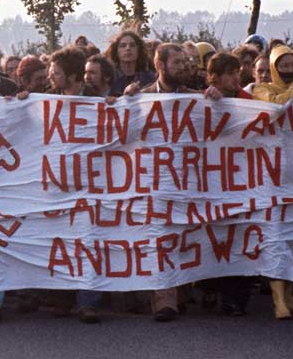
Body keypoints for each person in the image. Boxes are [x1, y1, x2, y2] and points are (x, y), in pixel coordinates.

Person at [132, 43, 197, 321]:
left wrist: (220, 100)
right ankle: (163, 300)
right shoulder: (140, 98)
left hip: (189, 181)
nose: (184, 67)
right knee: (159, 237)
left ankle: (180, 292)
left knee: (183, 237)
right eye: (178, 63)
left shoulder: (199, 99)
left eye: (186, 62)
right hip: (153, 182)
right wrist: (122, 103)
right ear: (160, 66)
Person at [251, 45, 293, 319]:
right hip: (266, 174)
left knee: (291, 232)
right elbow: (280, 106)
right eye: (281, 65)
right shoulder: (261, 91)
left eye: (291, 64)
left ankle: (288, 290)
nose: (287, 70)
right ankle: (277, 298)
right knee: (273, 233)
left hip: (292, 172)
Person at [202, 53, 254, 316]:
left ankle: (236, 296)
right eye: (231, 73)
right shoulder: (201, 100)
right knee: (211, 236)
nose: (237, 77)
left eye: (239, 72)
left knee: (238, 237)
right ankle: (210, 286)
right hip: (210, 181)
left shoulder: (248, 101)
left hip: (240, 180)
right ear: (215, 77)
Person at [105, 30, 156, 96]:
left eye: (132, 45)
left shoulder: (150, 77)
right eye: (123, 46)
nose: (128, 48)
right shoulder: (108, 78)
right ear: (116, 51)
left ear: (138, 50)